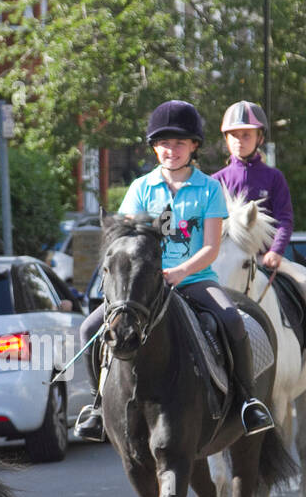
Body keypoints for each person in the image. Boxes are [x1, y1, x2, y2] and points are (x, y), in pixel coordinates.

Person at [73, 99, 275, 441]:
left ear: (194, 146)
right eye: (164, 143)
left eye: (179, 143)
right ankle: (96, 407)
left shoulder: (209, 189)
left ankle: (247, 402)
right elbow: (124, 242)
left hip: (194, 280)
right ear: (154, 147)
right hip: (143, 288)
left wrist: (180, 272)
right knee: (89, 329)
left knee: (232, 320)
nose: (171, 150)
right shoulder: (140, 189)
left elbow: (211, 248)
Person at [213, 100, 306, 387]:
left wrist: (275, 252)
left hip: (266, 258)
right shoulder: (214, 181)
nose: (239, 141)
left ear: (260, 138)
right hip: (227, 260)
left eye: (246, 135)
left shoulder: (273, 177)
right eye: (234, 135)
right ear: (226, 139)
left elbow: (285, 220)